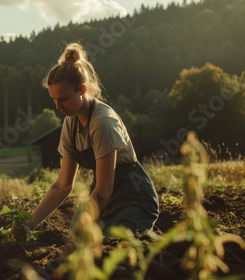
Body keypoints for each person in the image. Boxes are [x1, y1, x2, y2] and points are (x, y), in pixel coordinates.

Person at [15, 42, 159, 237]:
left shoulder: (103, 122)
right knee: (78, 241)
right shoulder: (70, 122)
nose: (58, 106)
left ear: (82, 90)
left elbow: (104, 189)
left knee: (112, 243)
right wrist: (28, 224)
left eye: (63, 99)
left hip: (132, 199)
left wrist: (81, 233)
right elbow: (62, 185)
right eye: (53, 99)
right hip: (102, 196)